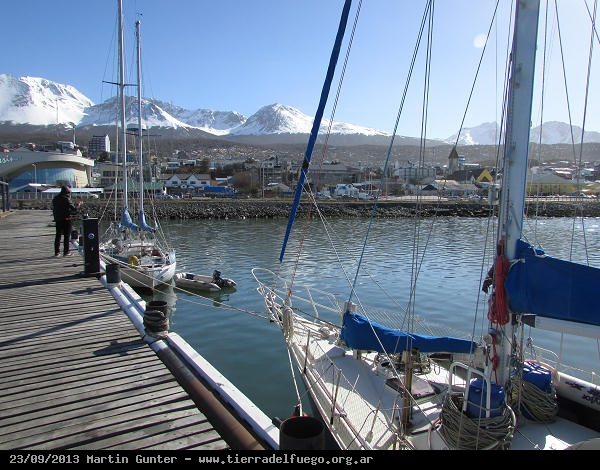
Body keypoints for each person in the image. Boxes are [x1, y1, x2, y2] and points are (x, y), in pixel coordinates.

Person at [52, 186, 80, 257]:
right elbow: (74, 209)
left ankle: (57, 252)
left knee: (58, 236)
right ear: (67, 192)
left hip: (58, 219)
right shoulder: (66, 199)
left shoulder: (55, 199)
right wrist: (77, 205)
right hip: (66, 219)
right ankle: (66, 252)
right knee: (66, 236)